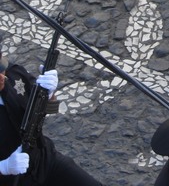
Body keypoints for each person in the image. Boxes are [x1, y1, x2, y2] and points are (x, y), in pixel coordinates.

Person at [0, 50, 103, 185]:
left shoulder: (15, 74)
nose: (2, 77)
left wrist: (48, 94)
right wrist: (4, 167)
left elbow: (48, 109)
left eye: (1, 69)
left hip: (43, 159)